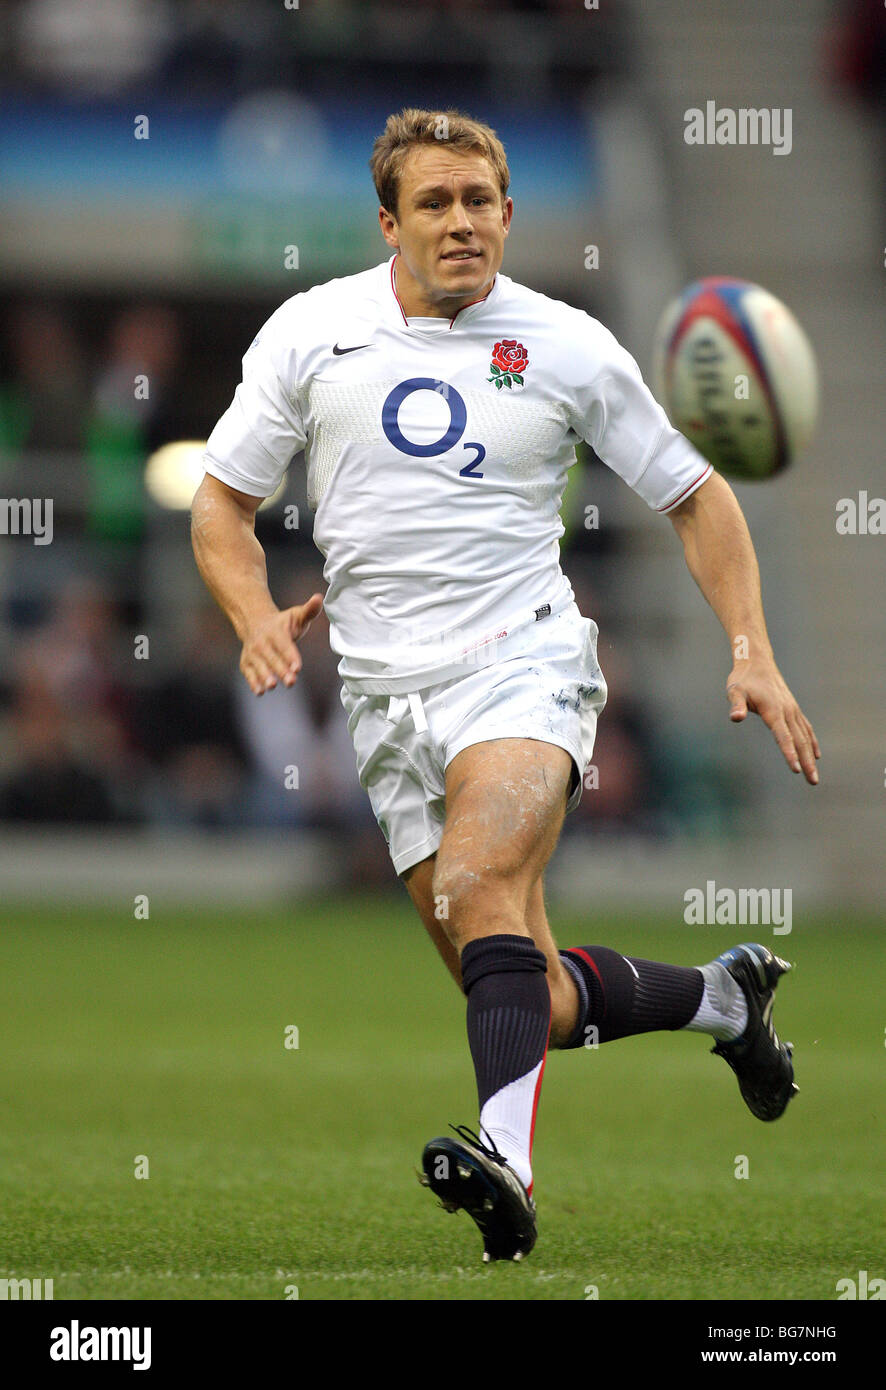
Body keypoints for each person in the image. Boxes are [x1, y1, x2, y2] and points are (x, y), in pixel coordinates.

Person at [191, 108, 820, 1263]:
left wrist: (750, 646)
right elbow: (220, 503)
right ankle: (723, 1002)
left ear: (509, 215)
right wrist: (250, 616)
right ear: (389, 222)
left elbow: (696, 495)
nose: (461, 222)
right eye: (434, 203)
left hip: (524, 665)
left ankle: (506, 1169)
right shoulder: (311, 332)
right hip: (384, 702)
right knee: (527, 987)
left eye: (479, 201)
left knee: (482, 879)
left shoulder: (569, 345)